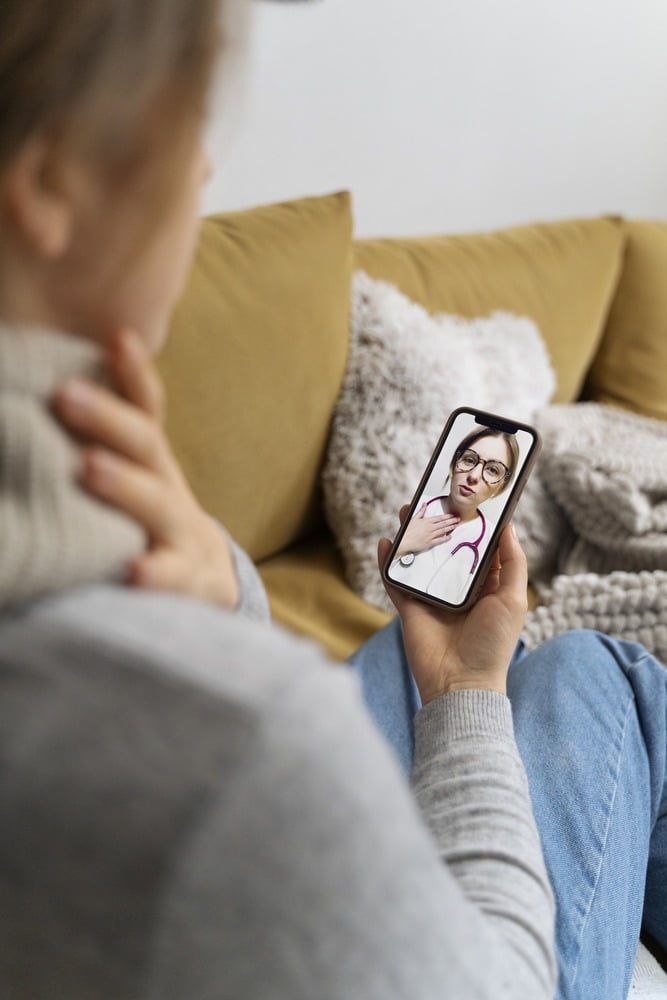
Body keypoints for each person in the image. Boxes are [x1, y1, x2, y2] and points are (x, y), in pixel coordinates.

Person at [1, 6, 664, 1000]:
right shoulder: (241, 743)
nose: (203, 177)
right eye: (186, 122)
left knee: (403, 645)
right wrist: (471, 701)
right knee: (593, 670)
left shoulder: (71, 523)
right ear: (52, 181)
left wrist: (217, 583)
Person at [389, 427, 519, 604]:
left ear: (501, 487)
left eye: (492, 470)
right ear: (453, 465)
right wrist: (405, 543)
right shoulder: (416, 508)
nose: (473, 476)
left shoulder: (493, 542)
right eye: (469, 460)